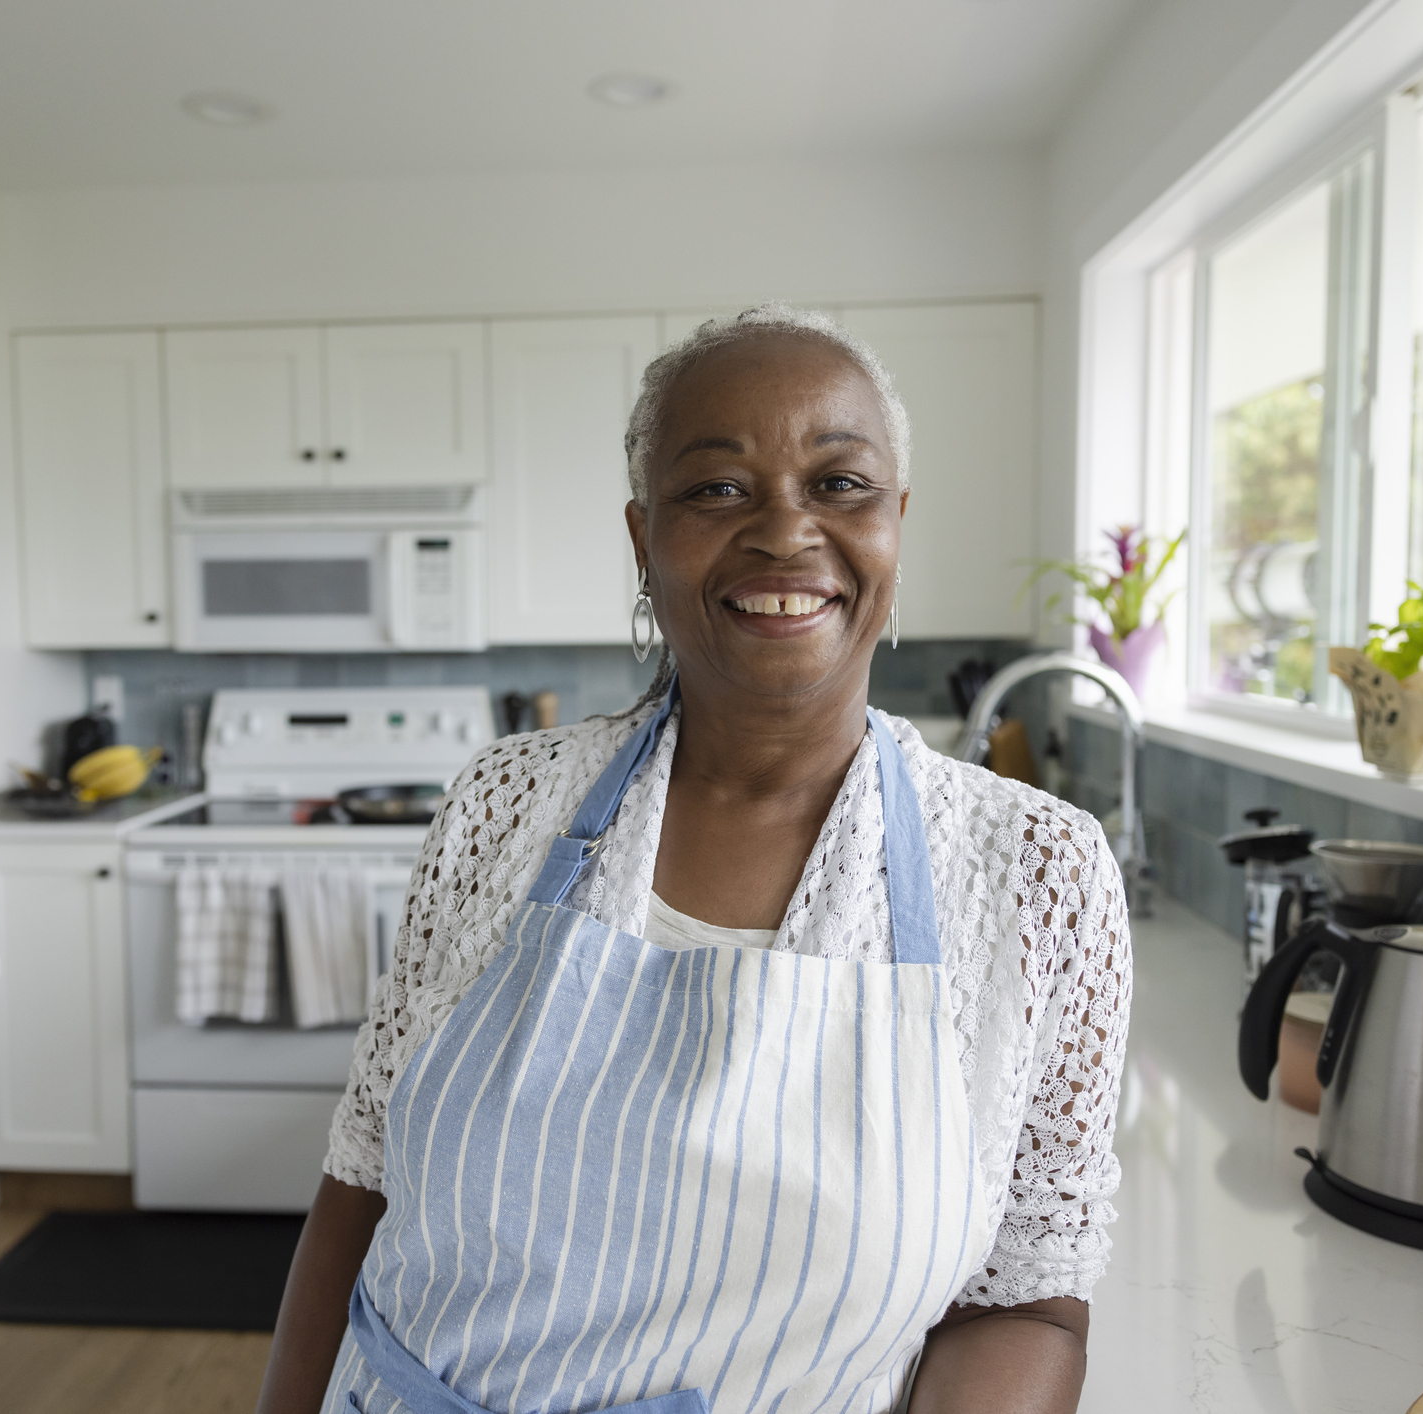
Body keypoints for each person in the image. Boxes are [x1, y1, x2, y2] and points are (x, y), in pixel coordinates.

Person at [257, 305, 1132, 1414]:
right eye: (716, 488)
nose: (782, 531)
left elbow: (1027, 1296)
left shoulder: (1036, 872)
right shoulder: (504, 806)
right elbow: (364, 1178)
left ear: (895, 524)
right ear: (641, 537)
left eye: (838, 484)